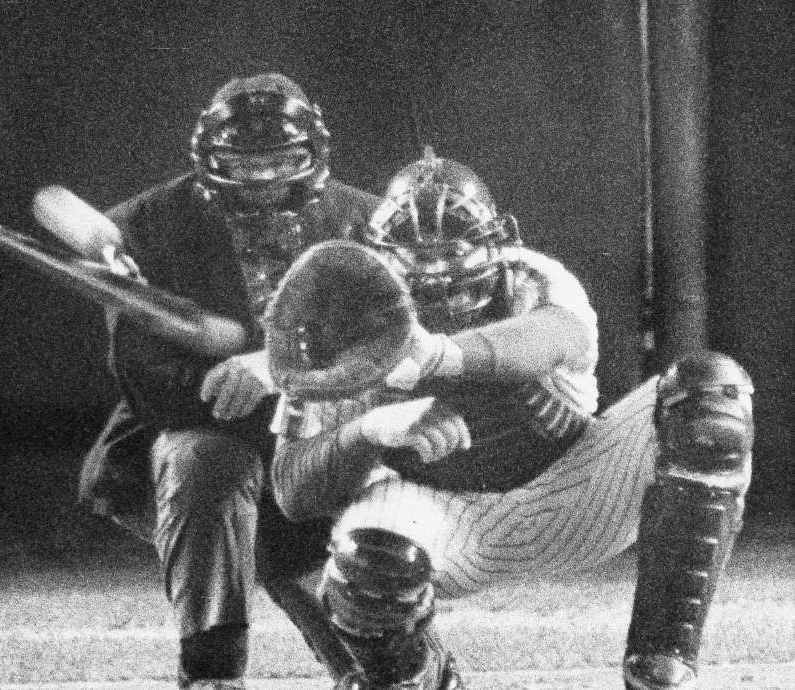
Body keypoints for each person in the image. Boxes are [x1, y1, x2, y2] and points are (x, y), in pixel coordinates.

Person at [263, 149, 754, 690]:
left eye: (455, 256)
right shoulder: (341, 322)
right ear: (377, 260)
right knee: (364, 561)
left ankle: (662, 664)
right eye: (417, 262)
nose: (437, 274)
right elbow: (291, 492)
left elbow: (551, 337)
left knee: (711, 394)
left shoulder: (531, 277)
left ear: (500, 243)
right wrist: (369, 431)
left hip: (574, 490)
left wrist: (439, 356)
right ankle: (420, 678)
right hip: (438, 519)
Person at [79, 73, 382, 689]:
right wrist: (266, 404)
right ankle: (212, 673)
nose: (266, 181)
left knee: (383, 663)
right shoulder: (145, 227)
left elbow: (392, 355)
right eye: (246, 166)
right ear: (209, 163)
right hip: (201, 429)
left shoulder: (366, 223)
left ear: (314, 156)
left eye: (282, 161)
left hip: (334, 431)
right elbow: (149, 382)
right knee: (204, 466)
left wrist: (278, 374)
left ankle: (375, 649)